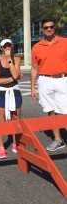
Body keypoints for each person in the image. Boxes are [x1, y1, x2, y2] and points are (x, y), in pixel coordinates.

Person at [31, 18, 67, 152]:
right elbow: (34, 68)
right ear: (42, 30)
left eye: (51, 26)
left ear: (54, 27)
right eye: (46, 27)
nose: (49, 29)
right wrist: (32, 87)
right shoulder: (37, 47)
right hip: (45, 81)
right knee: (51, 111)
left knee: (65, 112)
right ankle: (58, 140)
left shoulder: (64, 42)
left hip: (63, 80)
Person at [0, 39, 22, 159]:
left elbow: (15, 75)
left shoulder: (17, 59)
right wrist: (13, 79)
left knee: (16, 119)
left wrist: (10, 60)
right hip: (1, 93)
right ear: (1, 48)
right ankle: (1, 147)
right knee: (1, 120)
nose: (7, 48)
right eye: (5, 46)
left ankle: (16, 143)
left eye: (9, 45)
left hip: (14, 91)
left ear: (12, 46)